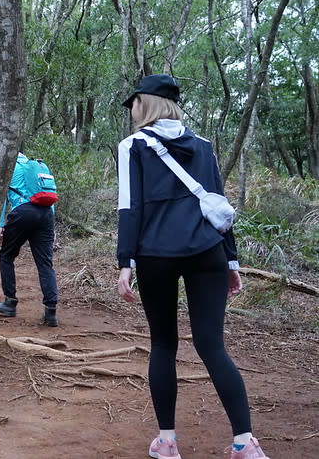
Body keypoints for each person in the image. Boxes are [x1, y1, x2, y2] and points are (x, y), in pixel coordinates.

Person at [116, 74, 269, 459]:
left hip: (156, 255)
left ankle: (167, 442)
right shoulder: (203, 146)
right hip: (208, 252)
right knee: (212, 345)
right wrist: (230, 259)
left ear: (146, 102)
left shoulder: (132, 146)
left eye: (133, 101)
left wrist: (125, 263)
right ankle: (244, 443)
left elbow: (129, 207)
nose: (131, 109)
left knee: (163, 344)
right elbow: (221, 209)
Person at [0, 151, 59, 326]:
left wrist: (0, 224)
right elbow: (49, 195)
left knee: (6, 256)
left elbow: (3, 198)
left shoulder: (10, 167)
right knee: (45, 263)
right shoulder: (36, 167)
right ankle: (51, 312)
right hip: (46, 215)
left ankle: (10, 303)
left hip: (22, 212)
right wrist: (51, 227)